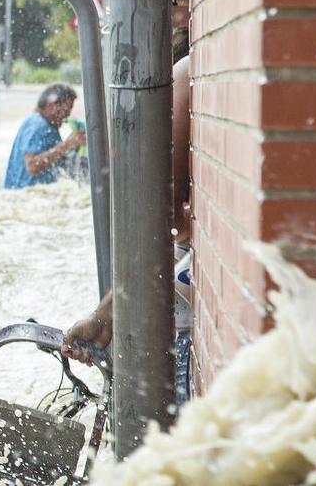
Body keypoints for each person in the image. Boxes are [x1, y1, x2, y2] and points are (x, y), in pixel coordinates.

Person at [62, 40, 193, 405]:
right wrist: (107, 312)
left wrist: (107, 312)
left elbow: (163, 221)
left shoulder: (183, 74)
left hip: (186, 329)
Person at [3, 82, 87, 189]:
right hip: (28, 197)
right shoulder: (38, 125)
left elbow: (54, 162)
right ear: (52, 106)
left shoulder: (47, 125)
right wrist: (67, 145)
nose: (67, 116)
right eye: (66, 110)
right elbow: (32, 166)